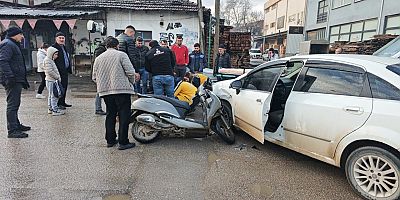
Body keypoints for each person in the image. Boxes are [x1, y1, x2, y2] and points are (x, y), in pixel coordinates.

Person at [92, 37, 139, 150]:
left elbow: (94, 77)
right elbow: (130, 72)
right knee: (123, 115)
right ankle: (123, 142)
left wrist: (103, 85)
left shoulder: (99, 58)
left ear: (106, 46)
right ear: (117, 45)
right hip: (121, 90)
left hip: (105, 92)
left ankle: (110, 140)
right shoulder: (121, 55)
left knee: (110, 114)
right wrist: (131, 82)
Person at [0, 27, 30, 138]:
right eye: (21, 35)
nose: (22, 37)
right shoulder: (8, 44)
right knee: (12, 104)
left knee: (15, 103)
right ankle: (12, 130)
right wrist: (10, 76)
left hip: (16, 78)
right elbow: (3, 61)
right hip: (12, 79)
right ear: (15, 35)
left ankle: (16, 125)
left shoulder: (12, 43)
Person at [93, 36, 113, 115]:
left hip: (101, 73)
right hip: (101, 73)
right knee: (100, 91)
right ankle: (98, 109)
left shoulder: (100, 49)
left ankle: (99, 108)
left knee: (100, 91)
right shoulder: (101, 50)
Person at [52, 32, 72, 109]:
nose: (61, 39)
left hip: (65, 71)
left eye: (63, 38)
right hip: (58, 71)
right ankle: (58, 103)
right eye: (60, 38)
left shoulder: (64, 47)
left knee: (64, 87)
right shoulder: (54, 48)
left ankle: (62, 102)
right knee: (59, 87)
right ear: (56, 39)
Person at [43, 47, 65, 116]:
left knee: (51, 95)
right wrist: (57, 77)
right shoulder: (48, 60)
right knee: (54, 96)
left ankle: (50, 108)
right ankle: (54, 110)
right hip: (51, 80)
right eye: (55, 54)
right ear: (51, 54)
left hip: (50, 80)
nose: (57, 56)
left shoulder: (50, 60)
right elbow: (50, 71)